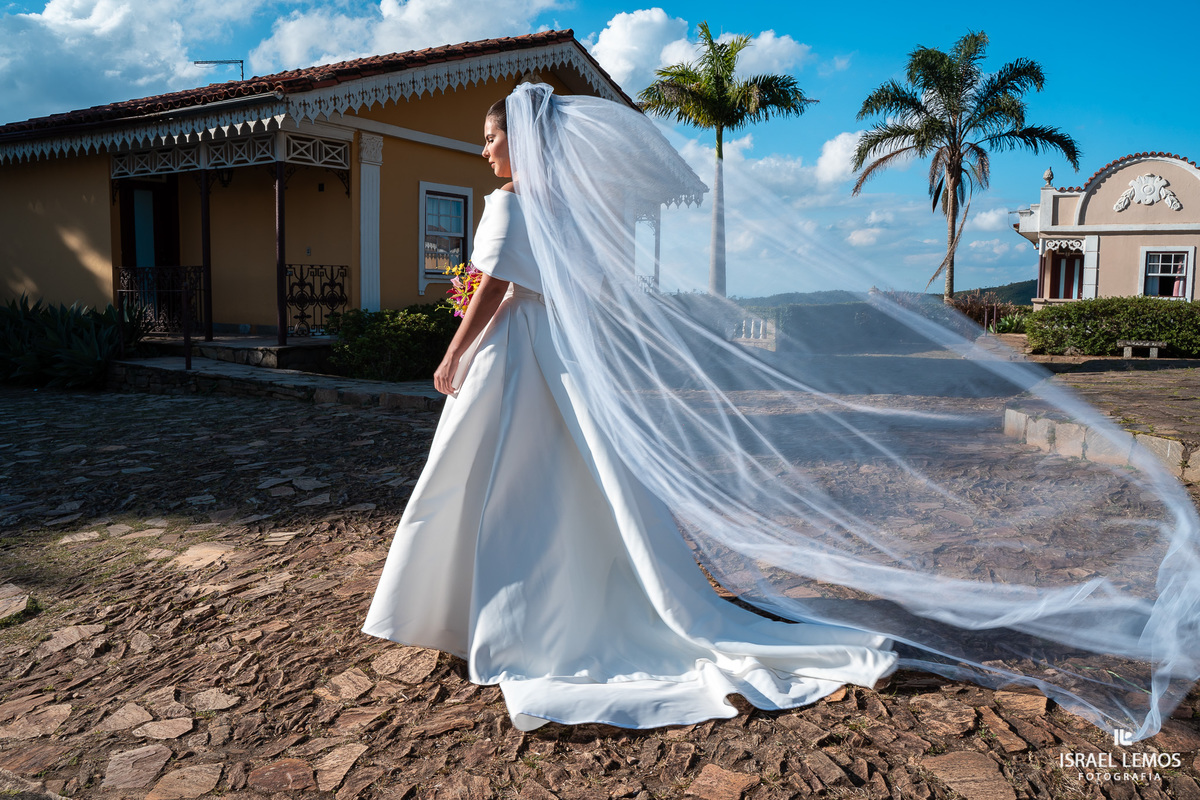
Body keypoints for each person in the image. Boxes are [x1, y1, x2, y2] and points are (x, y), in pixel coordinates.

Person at [365, 83, 1200, 738]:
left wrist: (454, 350)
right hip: (560, 356)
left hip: (517, 352)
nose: (486, 151)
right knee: (563, 475)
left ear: (520, 140)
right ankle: (555, 597)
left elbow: (496, 289)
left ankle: (487, 609)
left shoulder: (515, 204)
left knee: (501, 474)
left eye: (491, 139)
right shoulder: (565, 209)